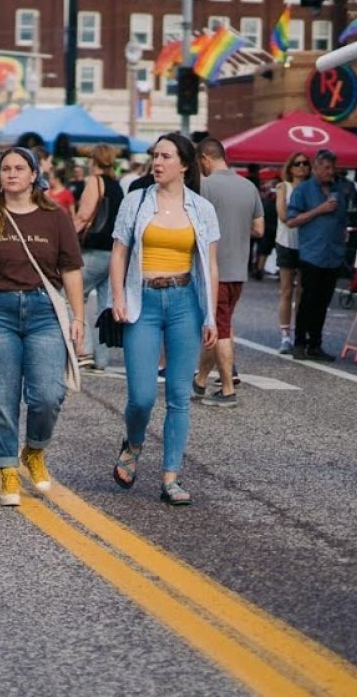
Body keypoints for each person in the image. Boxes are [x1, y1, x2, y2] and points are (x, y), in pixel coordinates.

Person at [0, 147, 84, 506]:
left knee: (47, 395)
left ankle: (35, 450)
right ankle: (8, 468)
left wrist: (78, 317)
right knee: (2, 394)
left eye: (19, 168)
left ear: (33, 176)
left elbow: (72, 270)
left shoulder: (55, 218)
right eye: (6, 169)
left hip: (44, 311)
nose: (12, 174)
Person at [109, 132, 219, 506]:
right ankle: (134, 443)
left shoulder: (202, 209)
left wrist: (211, 316)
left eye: (166, 157)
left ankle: (171, 477)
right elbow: (119, 253)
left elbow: (211, 264)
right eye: (155, 156)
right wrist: (119, 299)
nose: (157, 163)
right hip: (144, 301)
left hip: (185, 301)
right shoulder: (136, 202)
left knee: (178, 396)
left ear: (184, 165)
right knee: (140, 396)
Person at [192, 138, 262, 409]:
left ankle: (228, 389)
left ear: (205, 159)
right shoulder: (249, 186)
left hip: (214, 270)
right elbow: (259, 229)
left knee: (219, 330)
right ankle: (199, 381)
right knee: (219, 325)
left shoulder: (205, 186)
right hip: (239, 270)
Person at [286, 148, 349, 361]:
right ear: (316, 168)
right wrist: (319, 210)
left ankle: (316, 343)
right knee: (308, 300)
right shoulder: (303, 190)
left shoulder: (338, 190)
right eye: (327, 167)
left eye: (333, 167)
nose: (331, 172)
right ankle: (299, 342)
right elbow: (291, 220)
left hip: (333, 253)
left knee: (323, 302)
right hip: (312, 253)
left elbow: (343, 220)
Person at [74, 144, 124, 372]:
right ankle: (101, 358)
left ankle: (83, 350)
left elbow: (84, 215)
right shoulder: (117, 185)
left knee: (69, 295)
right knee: (104, 305)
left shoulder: (95, 181)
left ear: (93, 160)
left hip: (94, 249)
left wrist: (66, 235)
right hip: (113, 252)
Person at [275, 152, 311, 353]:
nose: (301, 167)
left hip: (307, 243)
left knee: (303, 291)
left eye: (305, 163)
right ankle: (285, 335)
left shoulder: (312, 189)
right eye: (297, 164)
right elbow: (283, 215)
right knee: (287, 289)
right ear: (290, 168)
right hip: (287, 242)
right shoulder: (284, 187)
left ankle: (299, 333)